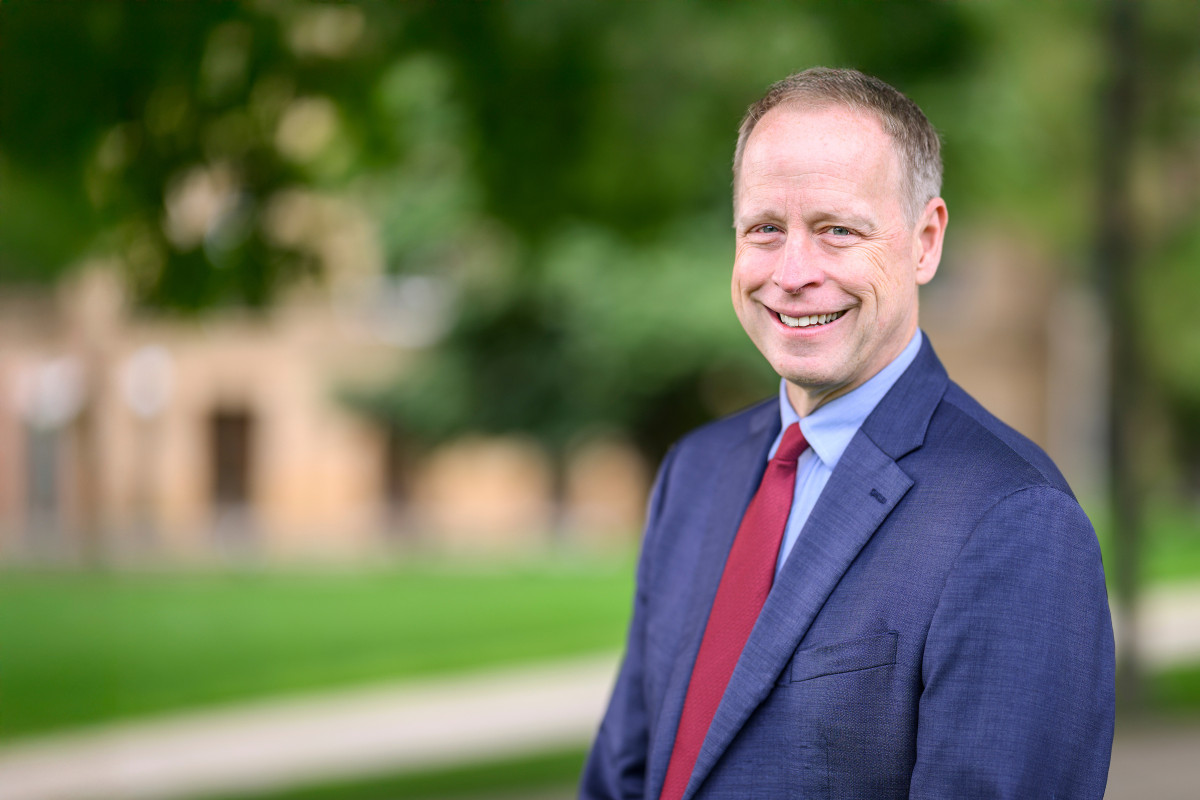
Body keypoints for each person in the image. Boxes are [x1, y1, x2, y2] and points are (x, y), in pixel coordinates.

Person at [580, 68, 1115, 799]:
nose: (794, 273)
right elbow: (622, 776)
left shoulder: (1017, 522)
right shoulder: (694, 473)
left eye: (838, 230)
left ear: (926, 242)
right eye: (766, 229)